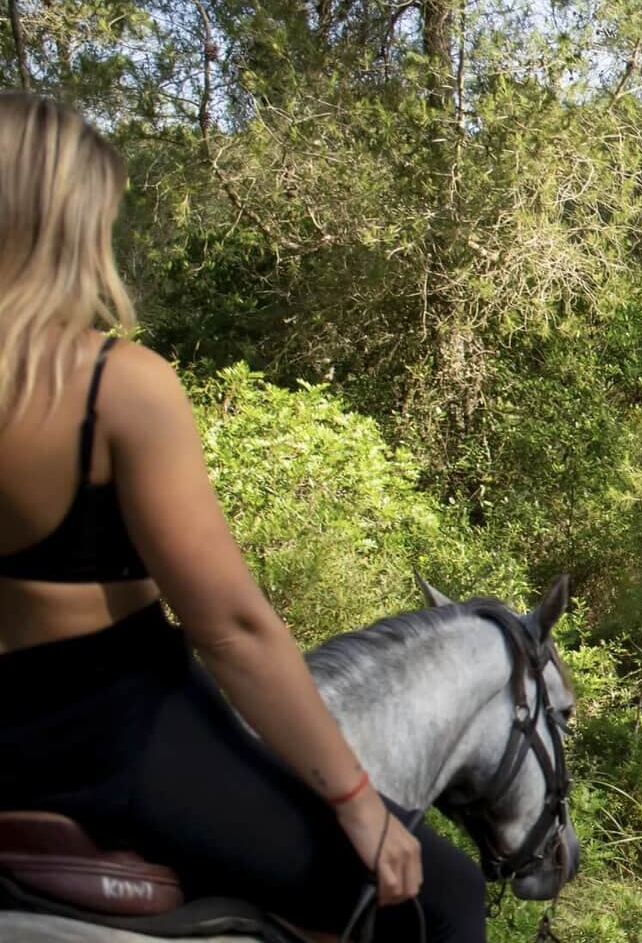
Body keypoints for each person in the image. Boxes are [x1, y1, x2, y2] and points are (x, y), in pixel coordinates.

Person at [0, 93, 485, 940]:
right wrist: (358, 803)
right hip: (119, 740)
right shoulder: (117, 386)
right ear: (65, 224)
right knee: (439, 895)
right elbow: (232, 629)